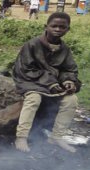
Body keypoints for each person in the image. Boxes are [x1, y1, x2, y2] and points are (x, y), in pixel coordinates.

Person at [12, 12, 81, 153]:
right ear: (46, 26)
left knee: (71, 100)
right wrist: (50, 82)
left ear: (68, 29)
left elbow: (69, 69)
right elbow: (25, 69)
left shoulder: (65, 50)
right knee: (33, 98)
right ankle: (21, 137)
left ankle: (57, 137)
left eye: (62, 27)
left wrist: (68, 81)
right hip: (30, 80)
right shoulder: (32, 45)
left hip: (53, 84)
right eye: (54, 26)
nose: (57, 29)